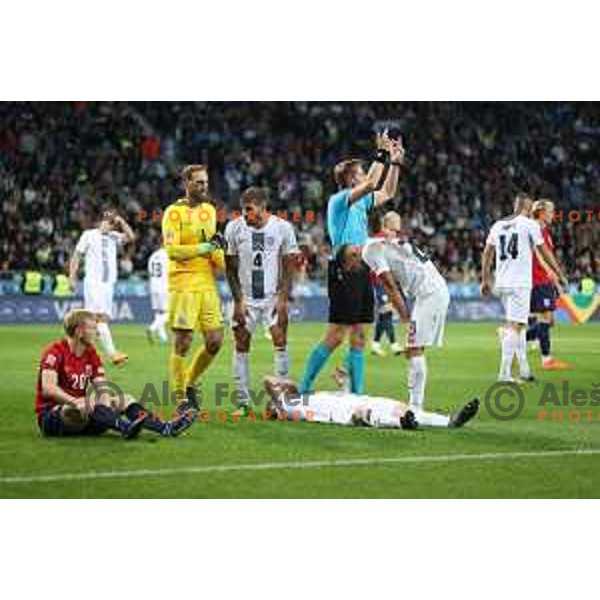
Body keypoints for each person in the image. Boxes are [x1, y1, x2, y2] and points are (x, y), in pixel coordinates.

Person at [298, 132, 405, 395]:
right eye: (358, 172)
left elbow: (387, 191)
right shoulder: (338, 202)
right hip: (343, 269)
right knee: (336, 336)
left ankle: (357, 395)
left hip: (362, 267)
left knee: (359, 337)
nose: (363, 175)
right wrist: (381, 155)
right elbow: (371, 184)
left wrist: (396, 163)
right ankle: (302, 389)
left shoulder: (361, 203)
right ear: (348, 178)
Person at [36, 309, 194, 438]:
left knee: (124, 399)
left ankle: (166, 428)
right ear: (79, 332)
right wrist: (74, 401)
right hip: (54, 417)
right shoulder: (55, 352)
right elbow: (49, 389)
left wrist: (105, 406)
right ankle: (125, 427)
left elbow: (102, 386)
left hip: (85, 415)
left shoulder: (91, 353)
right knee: (82, 405)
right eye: (93, 329)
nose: (97, 333)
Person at [361, 211, 450, 423]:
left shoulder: (371, 248)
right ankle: (415, 404)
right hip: (432, 288)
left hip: (429, 293)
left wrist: (405, 319)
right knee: (413, 348)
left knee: (413, 347)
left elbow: (391, 287)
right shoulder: (391, 238)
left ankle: (416, 407)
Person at [224, 187, 299, 412]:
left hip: (272, 299)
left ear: (262, 207)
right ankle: (243, 402)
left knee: (280, 341)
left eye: (249, 209)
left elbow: (289, 265)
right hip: (246, 299)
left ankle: (278, 402)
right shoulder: (234, 228)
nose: (245, 214)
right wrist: (238, 301)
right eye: (243, 209)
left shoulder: (283, 228)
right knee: (241, 344)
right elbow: (229, 268)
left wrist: (283, 299)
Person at [481, 193, 568, 383]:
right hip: (520, 283)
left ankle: (525, 371)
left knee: (520, 325)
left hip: (502, 282)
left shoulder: (498, 225)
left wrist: (484, 279)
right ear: (528, 207)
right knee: (515, 327)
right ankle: (504, 374)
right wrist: (560, 274)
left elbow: (487, 253)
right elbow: (545, 253)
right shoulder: (530, 225)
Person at [161, 164, 226, 411]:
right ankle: (180, 398)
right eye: (198, 182)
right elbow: (172, 250)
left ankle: (189, 383)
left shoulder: (210, 211)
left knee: (215, 341)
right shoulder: (173, 213)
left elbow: (213, 246)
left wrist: (226, 262)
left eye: (206, 182)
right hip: (184, 283)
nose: (204, 187)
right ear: (186, 184)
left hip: (207, 282)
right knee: (183, 341)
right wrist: (204, 249)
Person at [263, 375, 479, 430]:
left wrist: (343, 385)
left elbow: (339, 398)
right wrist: (282, 388)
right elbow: (268, 381)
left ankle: (450, 421)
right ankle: (402, 423)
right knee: (366, 414)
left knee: (401, 407)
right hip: (349, 415)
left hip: (359, 399)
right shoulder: (293, 410)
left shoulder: (307, 398)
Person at [69, 207, 134, 366]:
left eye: (112, 223)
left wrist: (122, 222)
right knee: (97, 319)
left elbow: (131, 237)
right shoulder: (89, 235)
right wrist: (72, 277)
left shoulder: (114, 236)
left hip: (108, 284)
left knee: (96, 320)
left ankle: (75, 353)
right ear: (101, 221)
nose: (109, 225)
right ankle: (112, 354)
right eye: (107, 222)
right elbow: (76, 257)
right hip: (94, 282)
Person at [525, 199, 571, 370]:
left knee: (549, 320)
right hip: (538, 279)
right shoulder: (535, 229)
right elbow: (540, 256)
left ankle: (514, 338)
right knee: (545, 318)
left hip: (543, 279)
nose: (554, 215)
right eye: (551, 212)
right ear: (543, 213)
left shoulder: (542, 230)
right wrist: (555, 275)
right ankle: (546, 359)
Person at [371, 279, 403, 357]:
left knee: (383, 318)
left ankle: (375, 345)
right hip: (380, 284)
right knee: (386, 314)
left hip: (384, 284)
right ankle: (394, 345)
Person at [146, 246, 169, 344]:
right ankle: (152, 328)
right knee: (170, 313)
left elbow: (150, 271)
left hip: (153, 286)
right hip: (164, 286)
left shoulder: (153, 255)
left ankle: (163, 338)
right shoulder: (168, 255)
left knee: (158, 313)